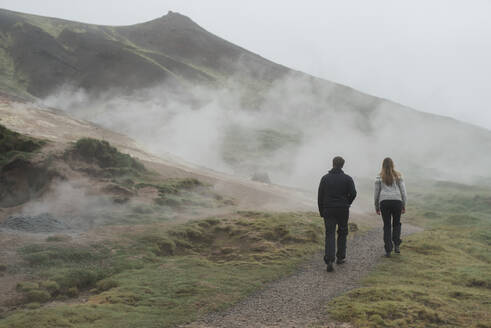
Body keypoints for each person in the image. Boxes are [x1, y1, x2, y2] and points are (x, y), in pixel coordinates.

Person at [318, 156, 357, 272]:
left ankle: (329, 260)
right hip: (343, 209)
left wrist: (321, 211)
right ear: (342, 165)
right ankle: (340, 257)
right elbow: (353, 193)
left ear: (333, 164)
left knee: (330, 233)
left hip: (328, 209)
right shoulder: (348, 179)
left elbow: (320, 196)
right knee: (342, 231)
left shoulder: (325, 178)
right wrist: (347, 203)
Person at [374, 157, 407, 257]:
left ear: (383, 165)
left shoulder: (379, 177)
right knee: (396, 224)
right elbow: (403, 192)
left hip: (384, 202)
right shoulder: (398, 176)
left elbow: (376, 193)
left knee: (387, 225)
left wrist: (376, 207)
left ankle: (388, 249)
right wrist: (403, 205)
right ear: (393, 164)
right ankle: (396, 244)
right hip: (397, 202)